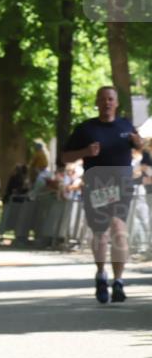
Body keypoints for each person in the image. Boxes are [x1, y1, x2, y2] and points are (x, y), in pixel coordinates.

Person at [61, 86, 145, 303]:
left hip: (122, 184)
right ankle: (101, 275)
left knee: (119, 229)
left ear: (116, 103)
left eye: (111, 99)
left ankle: (118, 281)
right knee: (101, 232)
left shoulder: (126, 125)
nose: (107, 103)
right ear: (97, 102)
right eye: (103, 99)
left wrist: (139, 144)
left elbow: (140, 147)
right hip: (97, 184)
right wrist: (85, 153)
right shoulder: (86, 129)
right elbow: (64, 157)